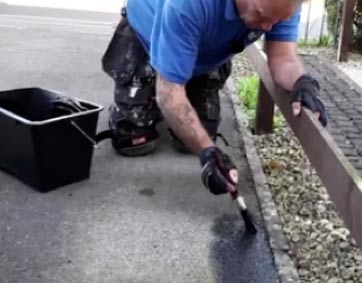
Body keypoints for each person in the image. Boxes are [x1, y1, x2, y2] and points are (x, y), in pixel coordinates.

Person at [101, 0, 328, 196]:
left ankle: (191, 74)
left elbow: (282, 57)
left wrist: (302, 82)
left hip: (207, 48)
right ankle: (139, 95)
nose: (268, 27)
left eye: (276, 21)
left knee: (194, 137)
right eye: (261, 15)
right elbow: (169, 92)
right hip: (147, 33)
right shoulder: (187, 5)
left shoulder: (282, 5)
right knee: (134, 141)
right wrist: (207, 153)